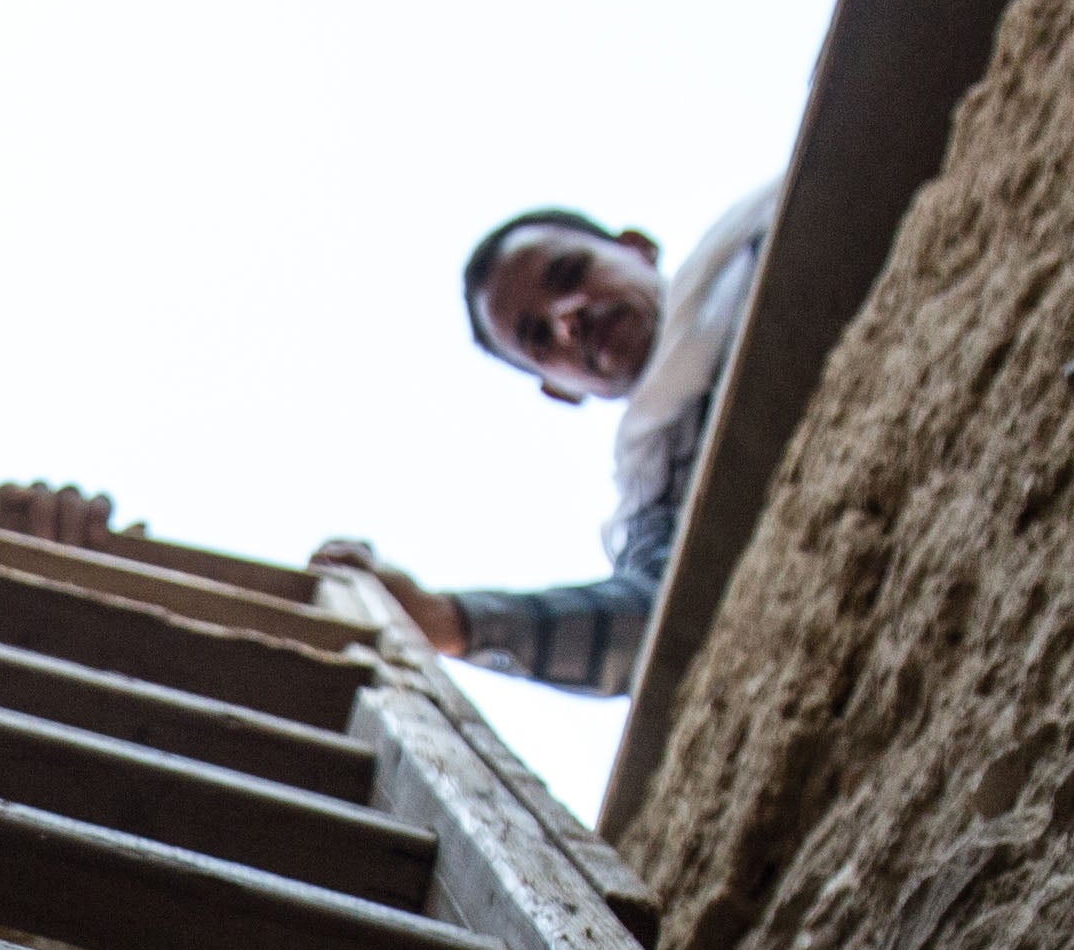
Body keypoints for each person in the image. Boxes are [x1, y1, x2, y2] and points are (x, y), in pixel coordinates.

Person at [317, 181, 778, 695]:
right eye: (538, 337)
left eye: (569, 275)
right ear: (560, 389)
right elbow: (668, 618)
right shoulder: (660, 498)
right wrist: (446, 621)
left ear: (636, 247)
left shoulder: (772, 230)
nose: (567, 319)